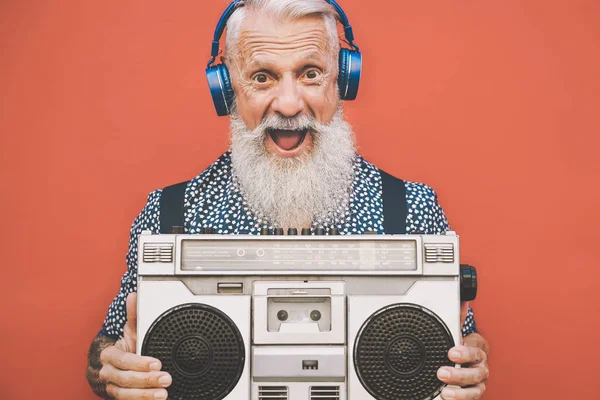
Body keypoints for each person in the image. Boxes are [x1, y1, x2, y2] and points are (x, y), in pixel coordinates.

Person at [86, 1, 490, 399]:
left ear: (341, 81)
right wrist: (114, 369)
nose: (289, 104)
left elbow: (461, 333)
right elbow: (108, 348)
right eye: (262, 77)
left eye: (310, 73)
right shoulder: (168, 214)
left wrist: (470, 356)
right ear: (228, 89)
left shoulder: (411, 208)